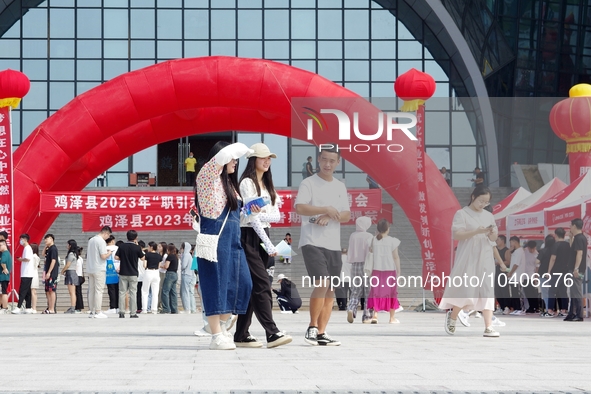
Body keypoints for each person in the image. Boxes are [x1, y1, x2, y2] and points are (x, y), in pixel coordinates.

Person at [195, 141, 253, 350]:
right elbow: (218, 161)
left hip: (234, 243)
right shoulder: (206, 179)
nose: (235, 162)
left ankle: (221, 327)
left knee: (242, 285)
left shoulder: (230, 186)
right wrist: (241, 149)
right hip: (216, 243)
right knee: (216, 285)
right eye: (233, 158)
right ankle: (216, 335)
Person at [234, 142, 292, 349]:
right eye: (263, 157)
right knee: (261, 285)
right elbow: (251, 219)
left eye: (269, 158)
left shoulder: (268, 184)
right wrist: (268, 243)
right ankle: (272, 332)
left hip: (263, 236)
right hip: (248, 237)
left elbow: (276, 215)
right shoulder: (247, 183)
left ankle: (241, 334)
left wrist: (260, 213)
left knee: (254, 287)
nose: (267, 161)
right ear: (253, 160)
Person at [295, 145, 351, 346]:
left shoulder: (339, 186)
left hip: (333, 245)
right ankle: (311, 327)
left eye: (332, 160)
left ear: (338, 162)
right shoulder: (308, 183)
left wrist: (329, 214)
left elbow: (346, 214)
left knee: (331, 289)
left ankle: (322, 332)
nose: (327, 164)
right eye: (324, 159)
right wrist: (324, 208)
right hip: (312, 241)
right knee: (322, 283)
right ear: (318, 159)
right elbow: (300, 207)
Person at [440, 186, 500, 337]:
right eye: (481, 201)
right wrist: (476, 231)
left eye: (486, 202)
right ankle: (453, 316)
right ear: (473, 197)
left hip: (485, 255)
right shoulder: (462, 214)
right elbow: (457, 235)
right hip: (469, 256)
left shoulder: (488, 216)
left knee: (487, 289)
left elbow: (493, 239)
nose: (483, 204)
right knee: (467, 289)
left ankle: (488, 326)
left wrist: (492, 232)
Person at [366, 219, 402, 324]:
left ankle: (375, 316)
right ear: (388, 229)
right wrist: (399, 271)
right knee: (391, 293)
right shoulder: (393, 241)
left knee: (376, 292)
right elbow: (396, 257)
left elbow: (370, 254)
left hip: (376, 270)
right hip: (390, 270)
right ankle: (391, 318)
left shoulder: (372, 240)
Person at [346, 216, 373, 324]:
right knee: (368, 291)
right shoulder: (369, 236)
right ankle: (366, 315)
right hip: (367, 265)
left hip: (355, 265)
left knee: (355, 290)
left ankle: (351, 309)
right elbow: (370, 252)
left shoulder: (353, 235)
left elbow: (351, 250)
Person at [114, 230, 145, 318]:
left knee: (122, 292)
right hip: (133, 273)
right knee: (133, 293)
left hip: (123, 272)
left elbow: (116, 257)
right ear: (135, 238)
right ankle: (132, 313)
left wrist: (123, 259)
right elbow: (143, 258)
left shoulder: (122, 246)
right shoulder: (137, 247)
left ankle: (121, 312)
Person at [86, 226, 112, 318]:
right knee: (99, 290)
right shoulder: (101, 241)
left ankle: (92, 311)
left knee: (91, 290)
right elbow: (103, 256)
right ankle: (98, 311)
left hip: (90, 268)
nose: (107, 237)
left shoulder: (91, 240)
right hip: (99, 268)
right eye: (108, 235)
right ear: (106, 233)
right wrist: (109, 253)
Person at [564, 218, 587, 321]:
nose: (570, 228)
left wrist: (576, 268)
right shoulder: (578, 238)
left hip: (576, 269)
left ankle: (579, 314)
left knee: (576, 292)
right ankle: (572, 313)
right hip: (574, 268)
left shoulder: (579, 238)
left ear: (574, 226)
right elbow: (573, 252)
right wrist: (570, 238)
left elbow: (579, 253)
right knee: (573, 292)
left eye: (570, 225)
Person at [547, 228, 570, 317]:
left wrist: (549, 271)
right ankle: (564, 310)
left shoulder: (555, 245)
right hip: (565, 271)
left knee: (551, 291)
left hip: (556, 271)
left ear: (556, 235)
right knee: (563, 291)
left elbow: (553, 258)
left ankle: (550, 310)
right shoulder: (568, 245)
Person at [13, 234, 35, 314]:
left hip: (27, 273)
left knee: (22, 291)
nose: (20, 241)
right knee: (27, 291)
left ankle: (18, 307)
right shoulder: (27, 248)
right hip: (26, 273)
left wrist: (20, 259)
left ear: (25, 239)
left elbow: (27, 259)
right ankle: (28, 307)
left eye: (21, 239)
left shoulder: (27, 248)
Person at [537, 234, 556, 317]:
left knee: (545, 293)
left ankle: (549, 309)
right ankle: (554, 309)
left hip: (543, 273)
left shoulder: (543, 251)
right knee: (553, 292)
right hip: (554, 273)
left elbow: (537, 261)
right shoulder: (555, 250)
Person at [507, 236, 526, 315]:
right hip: (513, 276)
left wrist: (511, 272)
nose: (510, 244)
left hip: (517, 276)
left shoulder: (519, 251)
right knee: (514, 293)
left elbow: (516, 264)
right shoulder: (515, 251)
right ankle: (516, 308)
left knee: (517, 292)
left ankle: (520, 308)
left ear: (515, 242)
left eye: (511, 242)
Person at [61, 239, 80, 314]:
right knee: (72, 292)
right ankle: (72, 307)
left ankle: (72, 307)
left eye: (68, 244)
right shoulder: (74, 254)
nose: (67, 246)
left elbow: (68, 265)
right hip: (72, 272)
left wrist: (62, 271)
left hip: (70, 272)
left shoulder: (71, 254)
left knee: (72, 292)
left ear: (70, 245)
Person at [42, 234, 59, 314]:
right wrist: (46, 246)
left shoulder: (53, 249)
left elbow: (53, 260)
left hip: (52, 273)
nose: (45, 240)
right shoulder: (49, 249)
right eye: (45, 239)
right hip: (47, 273)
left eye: (47, 239)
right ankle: (49, 307)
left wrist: (49, 272)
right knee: (47, 291)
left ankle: (52, 308)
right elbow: (43, 254)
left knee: (52, 290)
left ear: (52, 239)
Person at [494, 235, 511, 315]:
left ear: (502, 240)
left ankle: (507, 307)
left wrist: (498, 263)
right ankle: (501, 306)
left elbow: (508, 262)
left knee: (504, 290)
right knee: (497, 290)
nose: (496, 241)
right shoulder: (495, 249)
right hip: (496, 271)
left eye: (498, 240)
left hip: (503, 272)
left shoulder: (506, 250)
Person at [142, 242, 161, 314]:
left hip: (148, 272)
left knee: (145, 291)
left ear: (151, 247)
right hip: (156, 272)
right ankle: (154, 309)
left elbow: (144, 265)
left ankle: (144, 309)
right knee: (155, 292)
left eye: (148, 246)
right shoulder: (159, 256)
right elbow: (159, 266)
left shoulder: (147, 255)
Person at [160, 244, 179, 314]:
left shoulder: (170, 256)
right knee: (173, 292)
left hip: (169, 274)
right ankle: (174, 309)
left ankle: (166, 308)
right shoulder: (175, 256)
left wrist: (160, 266)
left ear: (169, 250)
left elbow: (166, 266)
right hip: (175, 274)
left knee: (165, 291)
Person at [523, 240, 540, 313]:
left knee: (532, 292)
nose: (532, 250)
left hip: (532, 275)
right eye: (530, 248)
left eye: (533, 248)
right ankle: (530, 306)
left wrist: (536, 278)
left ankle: (535, 307)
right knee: (526, 292)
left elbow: (537, 267)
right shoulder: (524, 251)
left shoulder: (537, 254)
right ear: (528, 247)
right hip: (524, 275)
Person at [180, 242, 196, 314]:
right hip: (190, 275)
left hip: (185, 274)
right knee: (190, 292)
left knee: (185, 292)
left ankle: (187, 309)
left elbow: (183, 266)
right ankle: (192, 308)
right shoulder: (189, 255)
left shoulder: (186, 255)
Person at [104, 236, 119, 314]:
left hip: (108, 270)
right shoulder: (117, 248)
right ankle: (118, 307)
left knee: (111, 289)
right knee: (118, 289)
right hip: (118, 268)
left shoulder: (104, 248)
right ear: (113, 241)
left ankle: (112, 307)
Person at [0, 239, 11, 313]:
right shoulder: (8, 254)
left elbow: (3, 262)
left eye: (0, 245)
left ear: (4, 245)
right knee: (2, 292)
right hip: (4, 277)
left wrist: (4, 268)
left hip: (3, 276)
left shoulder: (4, 253)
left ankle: (4, 308)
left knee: (4, 292)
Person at [30, 242, 41, 313]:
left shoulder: (33, 256)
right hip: (35, 274)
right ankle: (34, 307)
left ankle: (33, 307)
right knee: (34, 291)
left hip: (32, 274)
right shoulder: (37, 256)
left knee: (33, 291)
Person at [157, 241, 168, 313]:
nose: (158, 248)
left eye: (160, 247)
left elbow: (165, 266)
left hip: (163, 273)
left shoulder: (165, 256)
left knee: (160, 289)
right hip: (158, 272)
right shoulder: (159, 255)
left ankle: (160, 306)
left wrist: (158, 265)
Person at [75, 247, 84, 313]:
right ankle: (79, 306)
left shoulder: (76, 259)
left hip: (76, 276)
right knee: (78, 292)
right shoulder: (81, 259)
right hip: (80, 276)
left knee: (77, 292)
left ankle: (78, 307)